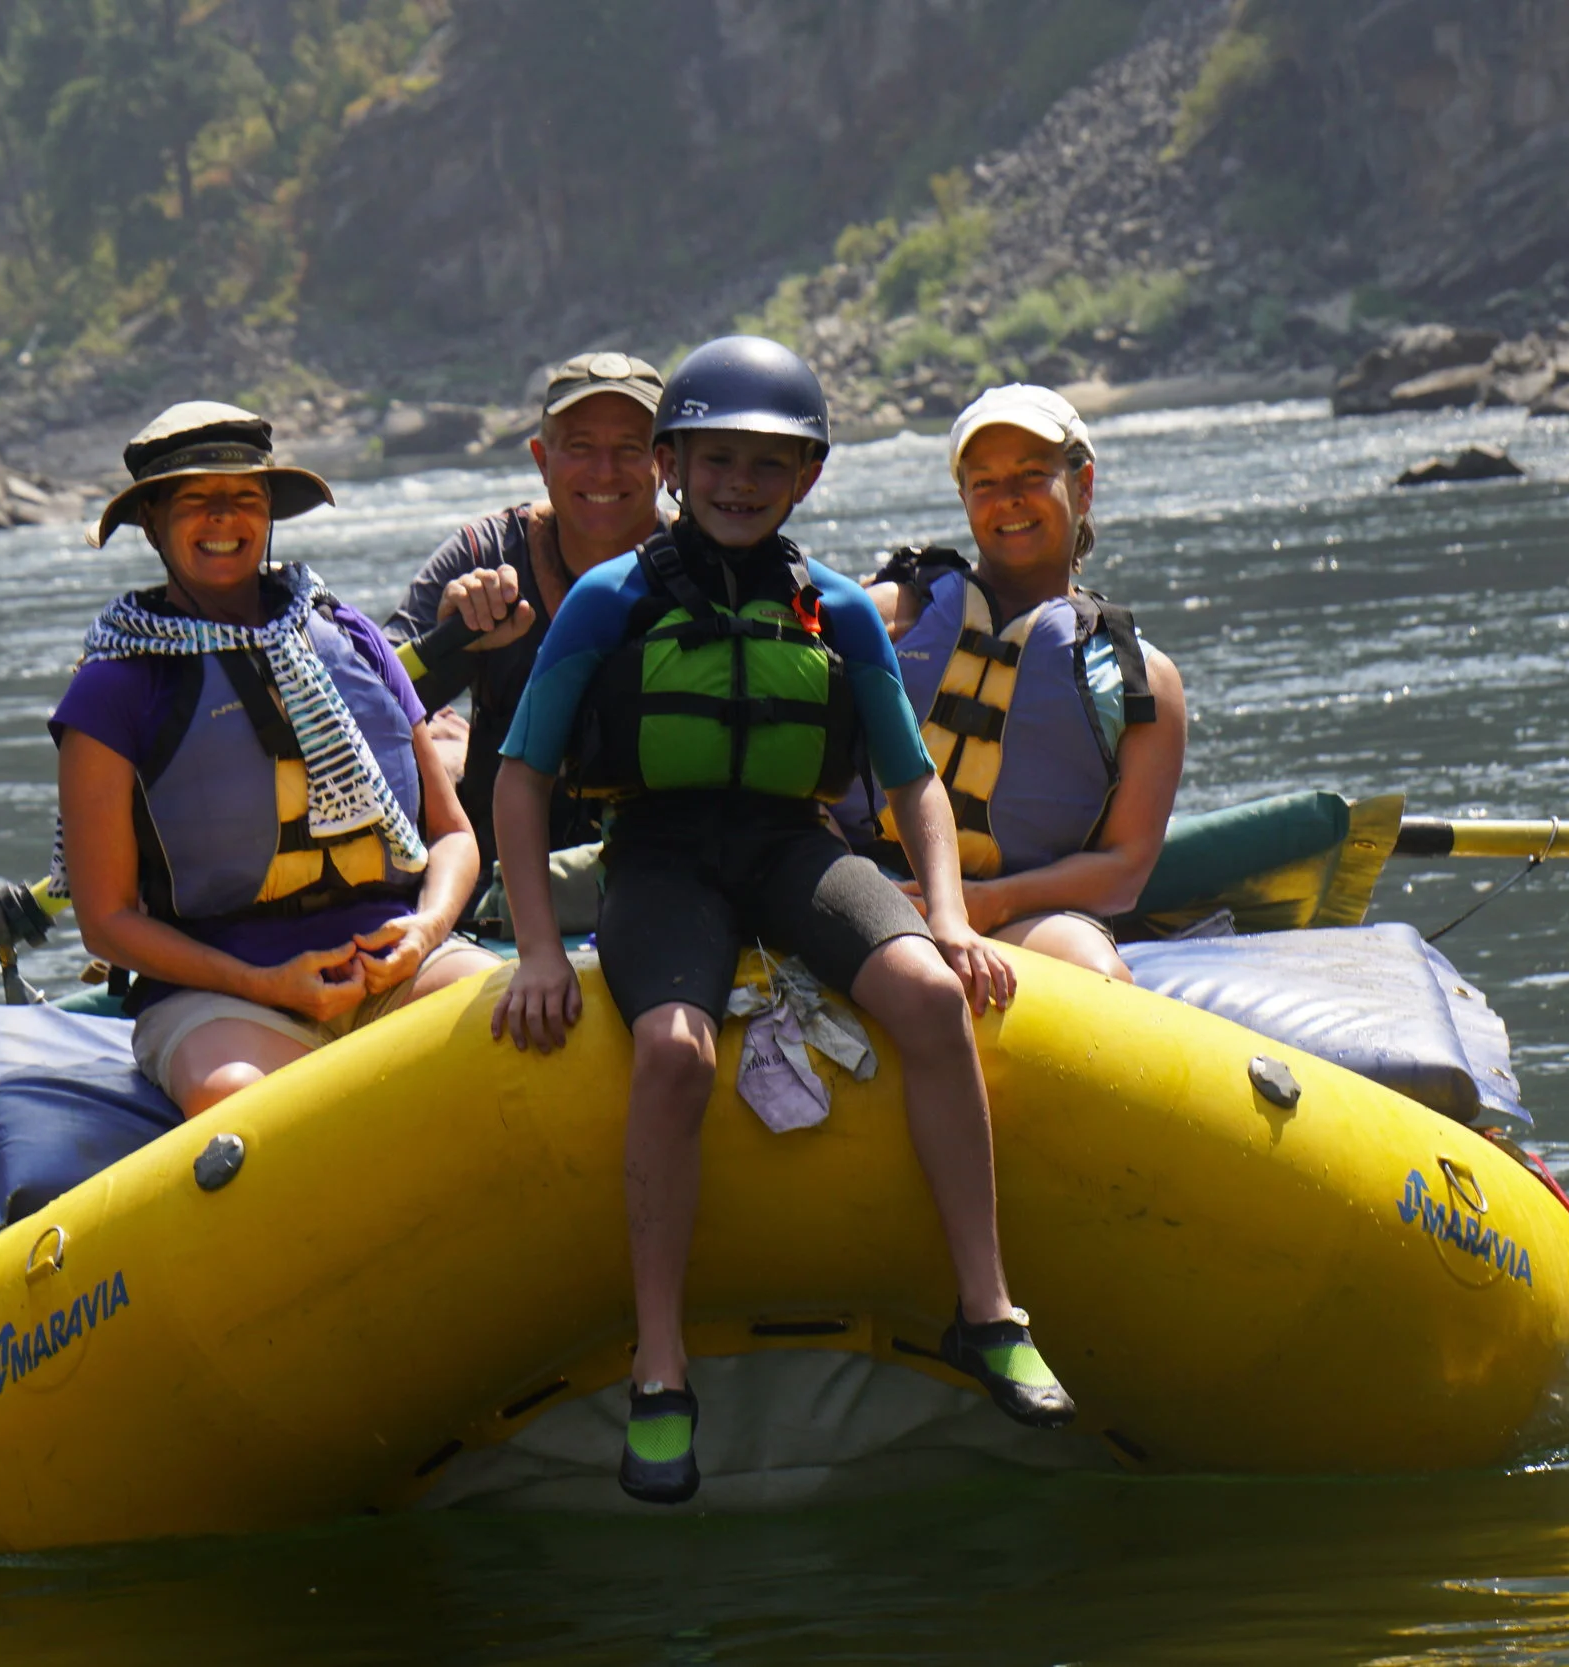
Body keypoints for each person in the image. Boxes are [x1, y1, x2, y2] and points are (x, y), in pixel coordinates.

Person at [487, 338, 1074, 1506]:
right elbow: (520, 776)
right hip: (659, 854)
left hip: (790, 845)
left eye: (769, 464)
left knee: (928, 995)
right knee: (671, 1049)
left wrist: (949, 918)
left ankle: (987, 1309)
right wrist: (540, 948)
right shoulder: (609, 599)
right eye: (716, 460)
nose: (740, 484)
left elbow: (911, 783)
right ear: (671, 465)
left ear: (806, 477)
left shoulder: (836, 608)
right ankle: (660, 1366)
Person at [52, 403, 496, 1116]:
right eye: (195, 499)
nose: (223, 517)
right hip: (219, 995)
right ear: (152, 523)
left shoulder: (349, 635)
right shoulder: (114, 689)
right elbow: (104, 920)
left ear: (268, 514)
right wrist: (262, 983)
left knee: (512, 1021)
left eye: (244, 497)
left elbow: (452, 833)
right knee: (237, 1097)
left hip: (393, 963)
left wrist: (426, 929)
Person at [855, 385, 1187, 981]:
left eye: (1032, 474)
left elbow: (1125, 869)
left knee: (1100, 975)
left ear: (1083, 486)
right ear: (964, 497)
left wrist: (986, 903)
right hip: (868, 878)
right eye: (984, 482)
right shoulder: (890, 615)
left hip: (1022, 911)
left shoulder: (1143, 680)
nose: (1008, 498)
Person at [384, 352, 668, 883]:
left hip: (662, 873)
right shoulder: (482, 555)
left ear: (666, 463)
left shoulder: (703, 566)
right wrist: (455, 650)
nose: (604, 471)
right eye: (580, 447)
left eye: (630, 448)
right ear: (542, 460)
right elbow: (363, 708)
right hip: (501, 886)